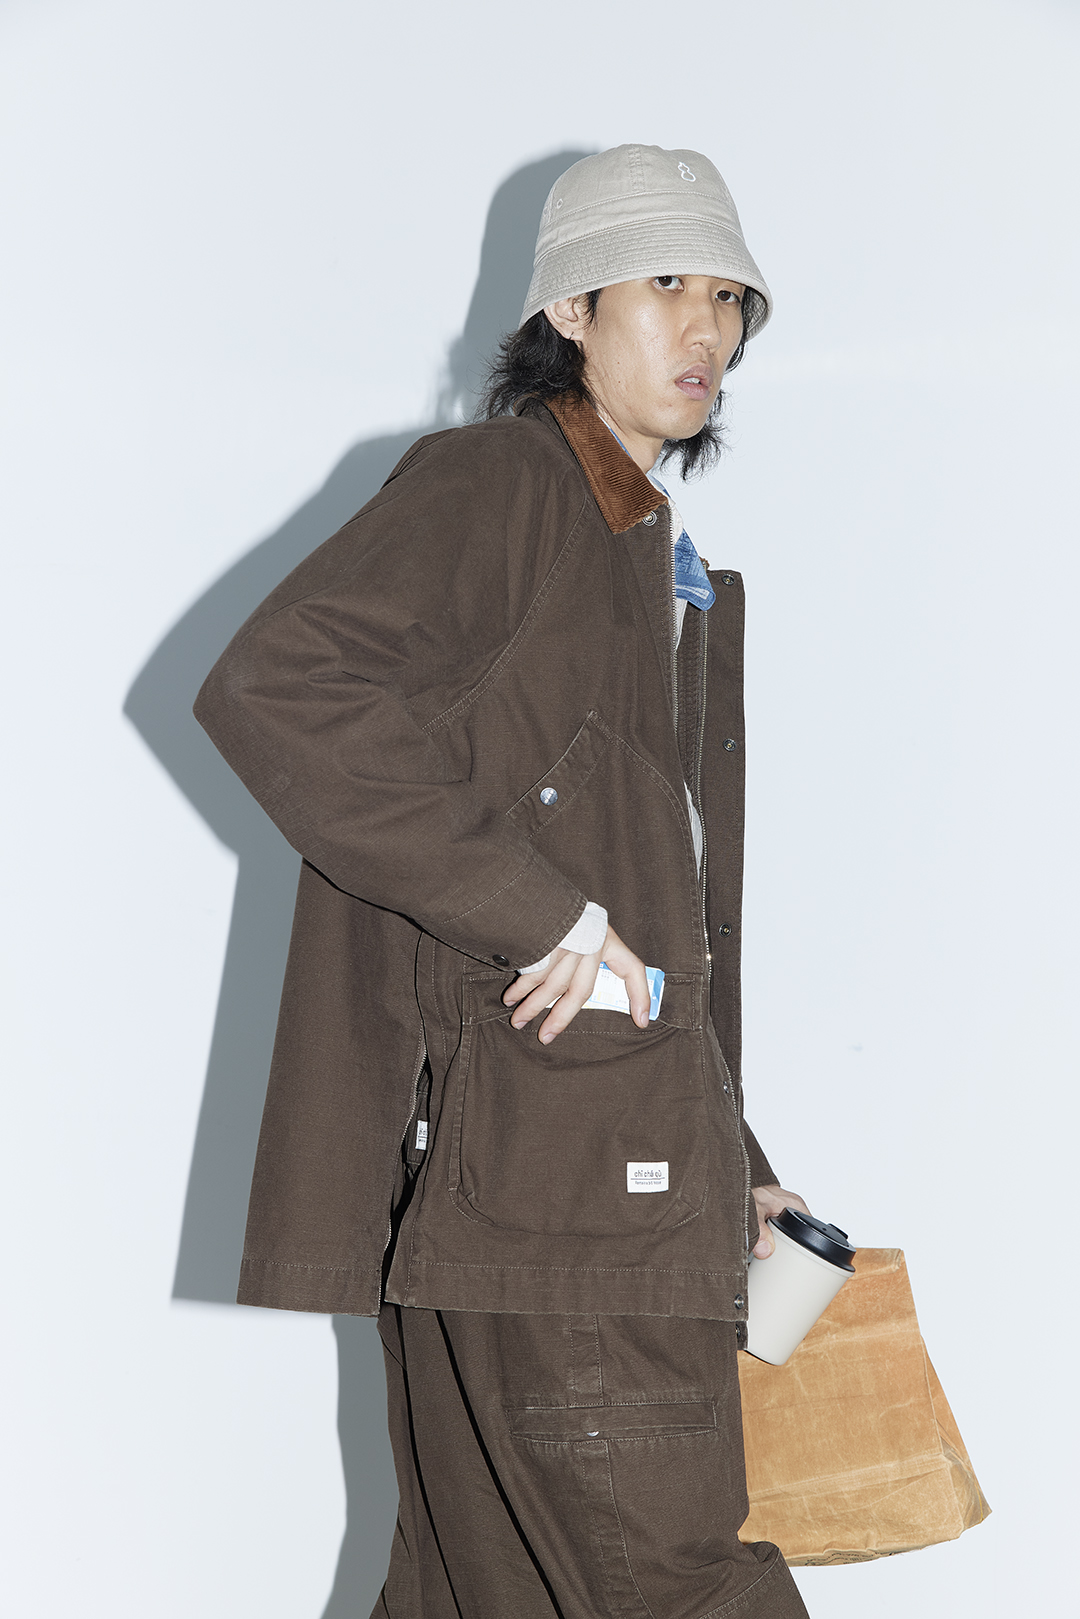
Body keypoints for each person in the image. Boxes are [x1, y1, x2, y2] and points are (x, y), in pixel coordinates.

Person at [196, 144, 811, 1619]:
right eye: (665, 284)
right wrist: (544, 916)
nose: (707, 327)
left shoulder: (649, 563)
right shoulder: (507, 486)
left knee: (473, 1598)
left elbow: (649, 920)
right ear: (572, 310)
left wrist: (733, 1159)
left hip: (557, 1183)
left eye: (731, 297)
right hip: (557, 1199)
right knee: (680, 1591)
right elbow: (279, 686)